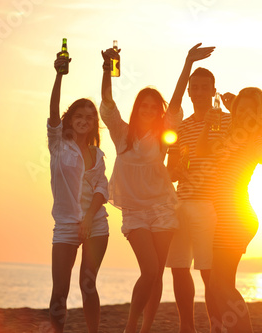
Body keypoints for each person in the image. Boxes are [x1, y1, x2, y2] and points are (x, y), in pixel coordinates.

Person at [100, 43, 214, 333]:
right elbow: (107, 101)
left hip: (163, 208)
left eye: (155, 106)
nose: (150, 110)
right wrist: (107, 70)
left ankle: (145, 328)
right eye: (145, 105)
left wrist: (187, 62)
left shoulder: (164, 133)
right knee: (149, 270)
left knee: (156, 275)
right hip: (135, 212)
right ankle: (130, 327)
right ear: (138, 107)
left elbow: (175, 102)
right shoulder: (121, 133)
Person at [197, 87, 262, 333]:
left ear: (258, 114)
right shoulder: (229, 133)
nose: (245, 112)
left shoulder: (255, 136)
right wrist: (225, 111)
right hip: (224, 214)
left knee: (219, 285)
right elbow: (202, 150)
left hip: (235, 215)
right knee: (220, 284)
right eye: (241, 107)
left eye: (251, 108)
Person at [165, 66, 231, 333]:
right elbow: (169, 172)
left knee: (209, 272)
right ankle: (187, 327)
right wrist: (176, 169)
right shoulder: (180, 127)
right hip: (182, 203)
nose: (201, 92)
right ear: (189, 92)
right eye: (196, 87)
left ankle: (216, 327)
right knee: (179, 267)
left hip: (212, 204)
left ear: (214, 91)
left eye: (206, 87)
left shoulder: (227, 121)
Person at [48, 55, 109, 333]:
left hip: (95, 223)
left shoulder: (98, 154)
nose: (84, 120)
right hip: (65, 223)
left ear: (94, 124)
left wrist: (88, 219)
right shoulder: (58, 144)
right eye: (79, 115)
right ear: (69, 119)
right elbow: (52, 109)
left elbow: (100, 189)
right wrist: (59, 75)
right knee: (60, 288)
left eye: (89, 117)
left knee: (88, 283)